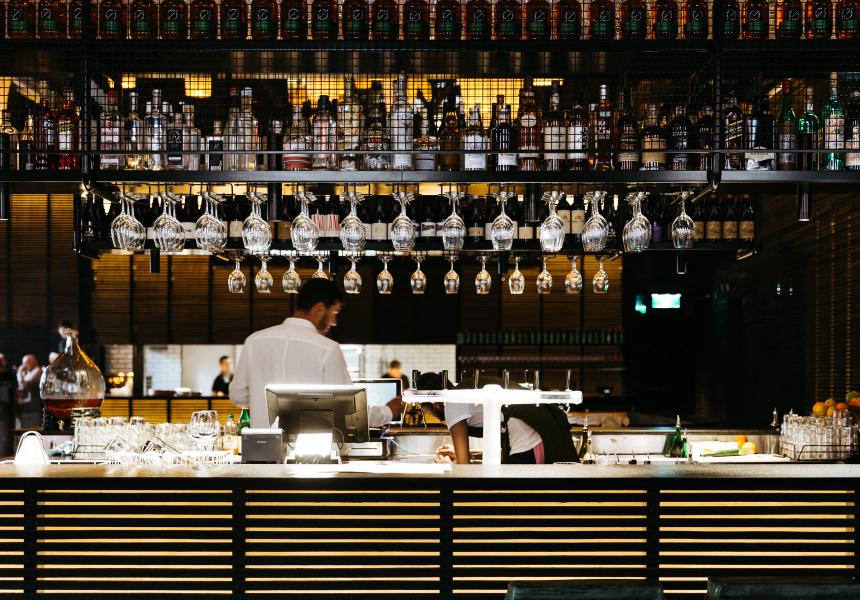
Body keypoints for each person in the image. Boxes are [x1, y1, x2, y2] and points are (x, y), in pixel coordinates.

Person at [230, 279, 351, 429]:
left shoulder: (254, 341)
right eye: (334, 313)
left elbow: (238, 396)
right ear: (320, 308)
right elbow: (345, 406)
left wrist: (262, 401)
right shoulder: (328, 348)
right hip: (311, 442)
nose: (334, 322)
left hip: (262, 441)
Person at [426, 373, 578, 465]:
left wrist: (447, 466)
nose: (430, 415)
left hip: (529, 443)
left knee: (520, 499)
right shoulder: (465, 391)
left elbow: (464, 467)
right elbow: (497, 452)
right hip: (539, 437)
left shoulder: (451, 402)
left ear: (436, 404)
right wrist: (469, 453)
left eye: (427, 411)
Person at [15, 355, 43, 430]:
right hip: (28, 407)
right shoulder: (29, 373)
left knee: (32, 430)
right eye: (23, 363)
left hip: (34, 408)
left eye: (27, 362)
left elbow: (24, 385)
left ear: (35, 362)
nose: (25, 365)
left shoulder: (37, 372)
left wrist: (19, 372)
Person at [0, 354, 16, 456]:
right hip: (4, 409)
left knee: (6, 435)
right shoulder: (9, 372)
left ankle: (6, 456)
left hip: (7, 409)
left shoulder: (9, 372)